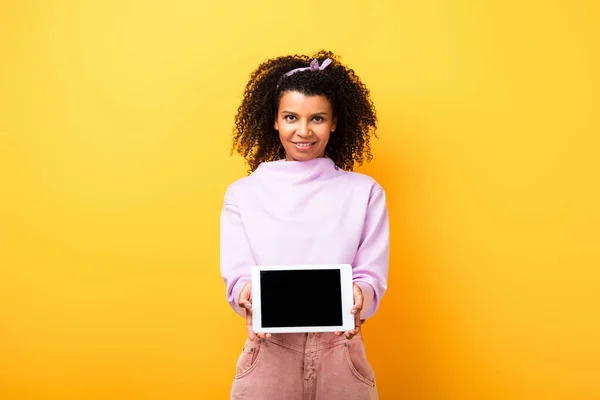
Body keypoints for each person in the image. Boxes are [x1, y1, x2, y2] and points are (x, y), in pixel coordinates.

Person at [220, 50, 390, 400]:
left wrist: (361, 294)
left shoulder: (365, 192)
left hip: (339, 349)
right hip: (270, 349)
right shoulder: (243, 193)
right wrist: (247, 296)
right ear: (275, 121)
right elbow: (238, 275)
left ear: (335, 122)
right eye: (291, 117)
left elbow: (370, 274)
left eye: (317, 119)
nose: (303, 131)